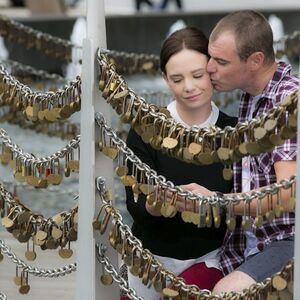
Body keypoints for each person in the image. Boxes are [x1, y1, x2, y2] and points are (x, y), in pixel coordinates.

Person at [180, 10, 299, 294]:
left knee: (226, 292)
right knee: (178, 288)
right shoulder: (252, 95)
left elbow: (287, 195)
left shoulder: (287, 102)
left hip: (286, 241)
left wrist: (215, 202)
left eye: (221, 62)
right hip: (245, 242)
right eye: (211, 57)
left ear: (255, 60)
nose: (209, 68)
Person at [123, 27, 237, 300]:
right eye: (177, 78)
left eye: (197, 75)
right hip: (149, 259)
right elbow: (135, 207)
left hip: (210, 258)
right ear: (164, 79)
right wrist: (159, 202)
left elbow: (245, 206)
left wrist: (214, 200)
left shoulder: (235, 132)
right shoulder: (145, 128)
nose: (189, 87)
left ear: (212, 69)